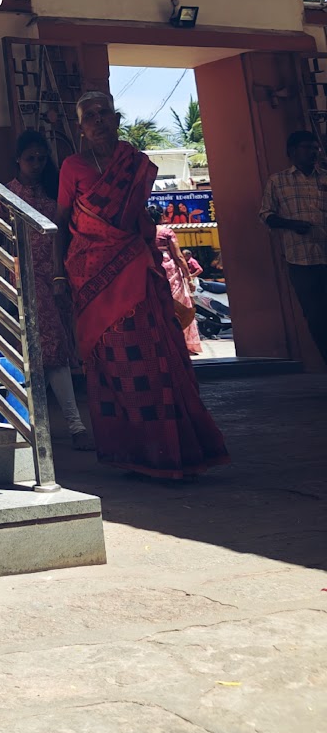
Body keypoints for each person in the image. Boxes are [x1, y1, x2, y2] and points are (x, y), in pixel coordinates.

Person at [56, 91, 229, 479]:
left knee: (157, 358)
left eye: (104, 113)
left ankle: (173, 447)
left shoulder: (135, 165)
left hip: (137, 272)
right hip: (90, 278)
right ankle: (131, 451)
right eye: (90, 117)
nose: (98, 120)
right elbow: (63, 222)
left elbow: (137, 223)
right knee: (112, 365)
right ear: (81, 129)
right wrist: (56, 274)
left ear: (116, 120)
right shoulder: (73, 167)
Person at [0, 130, 93, 449]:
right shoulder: (6, 195)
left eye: (41, 158)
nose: (36, 164)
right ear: (18, 160)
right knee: (46, 351)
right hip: (24, 281)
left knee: (54, 350)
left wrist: (60, 276)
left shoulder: (54, 193)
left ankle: (43, 423)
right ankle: (73, 424)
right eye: (30, 158)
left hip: (56, 280)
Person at [260, 130, 327, 363]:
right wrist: (291, 224)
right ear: (292, 152)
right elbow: (266, 215)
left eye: (315, 147)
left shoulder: (325, 178)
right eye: (307, 147)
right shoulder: (277, 181)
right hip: (301, 261)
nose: (313, 152)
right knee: (316, 317)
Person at [152, 217, 203, 356]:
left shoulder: (144, 231)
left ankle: (163, 344)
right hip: (169, 271)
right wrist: (188, 278)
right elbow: (179, 256)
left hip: (151, 270)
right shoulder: (166, 232)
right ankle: (180, 343)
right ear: (161, 216)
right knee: (179, 305)